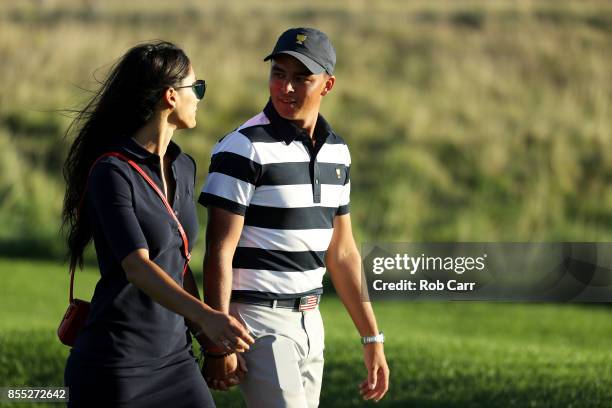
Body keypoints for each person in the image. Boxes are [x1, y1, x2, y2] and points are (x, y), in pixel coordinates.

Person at [198, 28, 389, 407]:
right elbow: (219, 250)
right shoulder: (243, 147)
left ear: (327, 84)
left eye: (301, 78)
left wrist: (372, 338)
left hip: (311, 321)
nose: (286, 87)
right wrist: (218, 344)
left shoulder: (338, 153)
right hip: (257, 323)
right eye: (279, 74)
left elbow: (344, 253)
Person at [61, 41, 254, 407]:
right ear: (170, 96)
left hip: (176, 361)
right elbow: (137, 266)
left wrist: (210, 343)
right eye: (195, 88)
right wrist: (210, 317)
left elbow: (177, 264)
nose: (199, 97)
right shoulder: (112, 172)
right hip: (116, 365)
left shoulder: (184, 167)